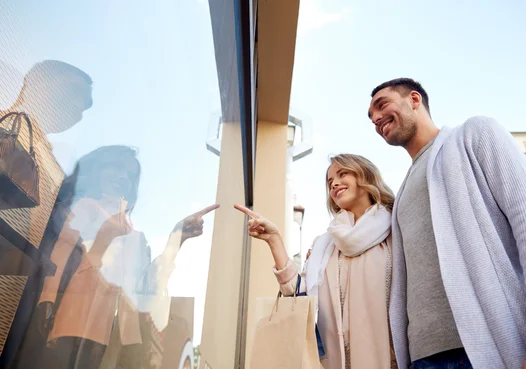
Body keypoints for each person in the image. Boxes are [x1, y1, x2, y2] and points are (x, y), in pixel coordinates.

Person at [367, 77, 526, 369]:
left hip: (487, 350)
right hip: (422, 358)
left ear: (414, 100)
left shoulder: (474, 135)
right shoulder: (403, 192)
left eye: (381, 105)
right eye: (371, 117)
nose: (376, 118)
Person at [29, 145, 218, 369]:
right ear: (98, 169)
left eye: (130, 174)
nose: (123, 176)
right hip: (71, 318)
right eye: (116, 167)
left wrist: (176, 240)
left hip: (111, 336)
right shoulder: (85, 207)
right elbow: (61, 252)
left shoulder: (134, 235)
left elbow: (146, 287)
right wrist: (47, 298)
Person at [235, 154, 397, 369]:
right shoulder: (326, 245)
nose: (335, 184)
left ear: (366, 176)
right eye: (330, 182)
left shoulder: (396, 231)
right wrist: (274, 240)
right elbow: (298, 296)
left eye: (343, 174)